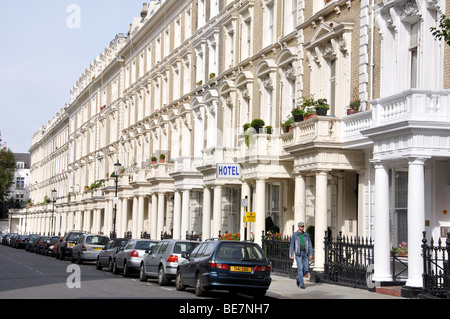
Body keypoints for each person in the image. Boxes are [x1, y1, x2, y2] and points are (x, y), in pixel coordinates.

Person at [290, 222, 313, 289]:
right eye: (300, 226)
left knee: (306, 269)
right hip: (298, 254)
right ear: (298, 227)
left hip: (305, 253)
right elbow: (292, 245)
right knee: (300, 269)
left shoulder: (306, 235)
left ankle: (298, 278)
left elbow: (309, 245)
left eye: (302, 226)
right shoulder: (295, 235)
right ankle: (302, 284)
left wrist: (311, 254)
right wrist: (291, 254)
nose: (302, 227)